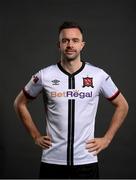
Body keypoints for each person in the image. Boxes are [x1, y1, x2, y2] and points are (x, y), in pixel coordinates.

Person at [14, 21, 129, 179]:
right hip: (52, 161)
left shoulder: (98, 75)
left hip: (86, 161)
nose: (70, 45)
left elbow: (122, 105)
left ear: (82, 45)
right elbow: (19, 103)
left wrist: (107, 139)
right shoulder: (44, 75)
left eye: (75, 40)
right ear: (59, 45)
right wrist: (35, 136)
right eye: (65, 40)